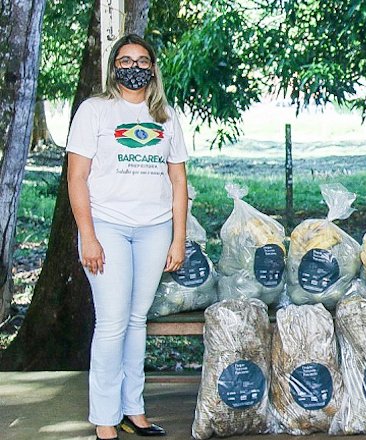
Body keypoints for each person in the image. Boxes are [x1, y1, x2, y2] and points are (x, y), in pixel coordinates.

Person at [67, 34, 188, 440]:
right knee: (112, 323)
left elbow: (178, 178)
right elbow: (77, 177)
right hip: (107, 227)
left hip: (155, 229)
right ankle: (104, 419)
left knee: (137, 321)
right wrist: (88, 235)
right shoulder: (95, 111)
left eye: (141, 60)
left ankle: (133, 409)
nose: (133, 67)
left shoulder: (167, 115)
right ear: (114, 67)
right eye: (125, 60)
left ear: (153, 68)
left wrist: (178, 238)